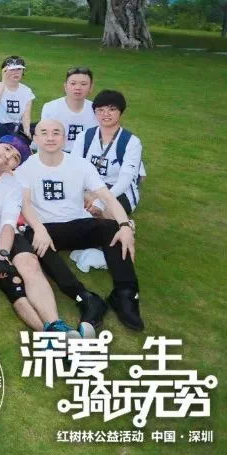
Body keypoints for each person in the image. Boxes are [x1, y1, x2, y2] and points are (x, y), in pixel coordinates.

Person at [0, 135, 84, 336]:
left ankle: (56, 323)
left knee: (31, 266)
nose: (8, 156)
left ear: (16, 166)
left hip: (3, 234)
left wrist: (3, 254)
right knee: (11, 280)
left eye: (16, 157)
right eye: (7, 148)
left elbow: (8, 223)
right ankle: (50, 335)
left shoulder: (13, 185)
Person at [17, 119, 144, 331]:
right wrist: (39, 229)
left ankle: (125, 293)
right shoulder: (26, 168)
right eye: (44, 133)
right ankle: (85, 297)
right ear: (35, 138)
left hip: (77, 224)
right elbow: (26, 204)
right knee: (32, 238)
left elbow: (108, 197)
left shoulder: (80, 165)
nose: (50, 137)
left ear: (64, 138)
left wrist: (124, 225)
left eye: (56, 132)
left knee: (112, 228)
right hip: (47, 229)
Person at [78, 90, 144, 215]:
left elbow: (125, 179)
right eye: (100, 110)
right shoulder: (84, 136)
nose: (106, 114)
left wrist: (100, 200)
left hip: (118, 191)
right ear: (95, 112)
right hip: (90, 187)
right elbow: (75, 168)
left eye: (112, 109)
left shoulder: (131, 142)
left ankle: (124, 224)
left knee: (99, 211)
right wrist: (84, 194)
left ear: (121, 112)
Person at [38, 67, 97, 152]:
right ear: (65, 86)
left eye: (83, 84)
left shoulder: (96, 110)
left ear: (91, 87)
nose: (78, 87)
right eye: (73, 83)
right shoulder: (51, 108)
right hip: (58, 153)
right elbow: (43, 138)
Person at [0, 55, 35, 140]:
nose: (16, 72)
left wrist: (27, 130)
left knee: (39, 126)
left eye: (19, 69)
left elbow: (26, 116)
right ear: (4, 71)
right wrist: (3, 81)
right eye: (12, 69)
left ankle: (15, 137)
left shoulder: (27, 91)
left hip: (16, 126)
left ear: (23, 71)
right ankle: (16, 139)